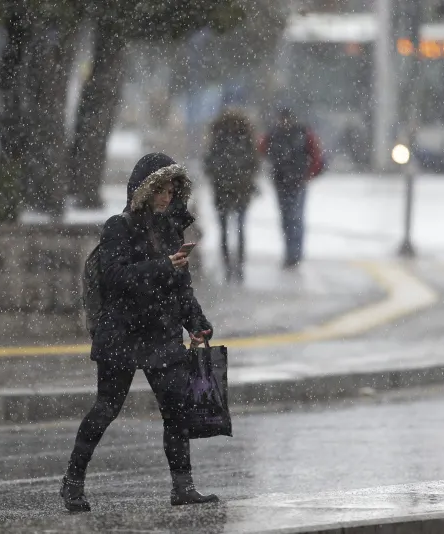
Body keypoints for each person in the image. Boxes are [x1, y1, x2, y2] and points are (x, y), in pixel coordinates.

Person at [61, 153, 218, 512]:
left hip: (161, 335)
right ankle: (72, 481)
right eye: (160, 190)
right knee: (106, 409)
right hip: (122, 335)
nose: (166, 197)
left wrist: (198, 324)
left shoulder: (171, 230)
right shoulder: (119, 227)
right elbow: (116, 278)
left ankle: (183, 486)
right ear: (144, 191)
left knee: (176, 411)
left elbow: (181, 289)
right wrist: (162, 266)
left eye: (171, 190)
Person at [260, 108, 323, 268]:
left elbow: (316, 155)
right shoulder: (274, 135)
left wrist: (309, 174)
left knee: (295, 218)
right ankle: (291, 252)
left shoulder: (301, 133)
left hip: (297, 182)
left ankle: (295, 253)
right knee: (287, 219)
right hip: (282, 182)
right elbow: (261, 150)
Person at [203, 109, 259, 282]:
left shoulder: (219, 140)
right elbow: (254, 164)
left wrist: (219, 177)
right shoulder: (244, 140)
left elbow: (209, 165)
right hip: (235, 191)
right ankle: (234, 264)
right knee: (233, 229)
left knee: (230, 229)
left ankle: (232, 263)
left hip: (227, 190)